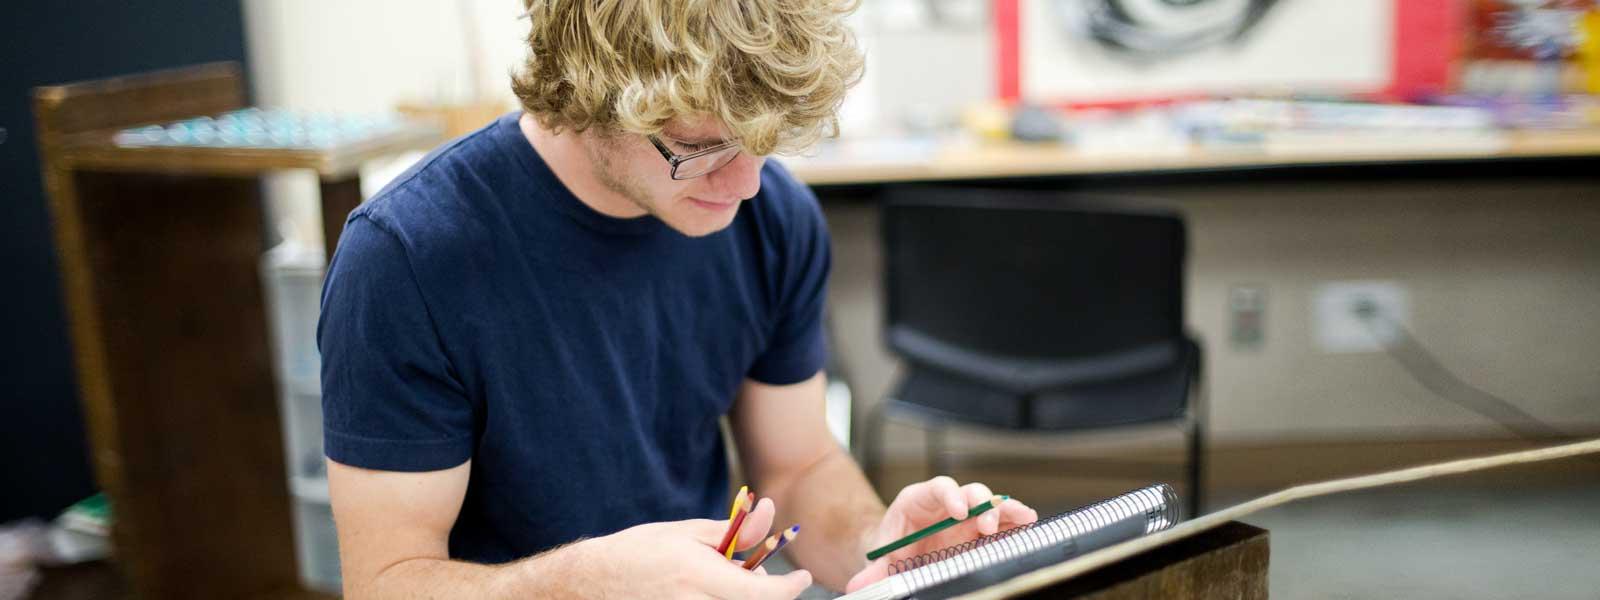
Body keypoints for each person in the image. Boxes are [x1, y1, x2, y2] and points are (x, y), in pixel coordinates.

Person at [317, 1, 1037, 597]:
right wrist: (590, 582)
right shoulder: (409, 258)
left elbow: (797, 467)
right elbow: (388, 583)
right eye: (702, 148)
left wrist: (877, 544)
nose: (747, 184)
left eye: (765, 143)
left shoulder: (771, 218)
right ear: (587, 93)